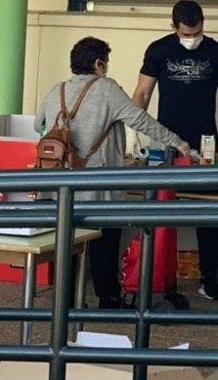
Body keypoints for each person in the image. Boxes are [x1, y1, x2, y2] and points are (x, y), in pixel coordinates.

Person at [41, 37, 188, 309]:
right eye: (105, 62)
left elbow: (41, 125)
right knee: (103, 241)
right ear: (99, 64)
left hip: (58, 185)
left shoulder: (56, 91)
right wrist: (177, 142)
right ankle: (107, 297)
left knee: (67, 244)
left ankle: (66, 301)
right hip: (97, 184)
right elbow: (140, 119)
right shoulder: (107, 89)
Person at [132, 0, 218, 300]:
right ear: (173, 27)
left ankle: (211, 279)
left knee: (209, 211)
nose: (192, 39)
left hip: (206, 142)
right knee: (159, 207)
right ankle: (154, 278)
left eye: (197, 33)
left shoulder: (214, 51)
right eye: (186, 33)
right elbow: (142, 93)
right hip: (165, 141)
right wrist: (135, 134)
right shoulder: (159, 50)